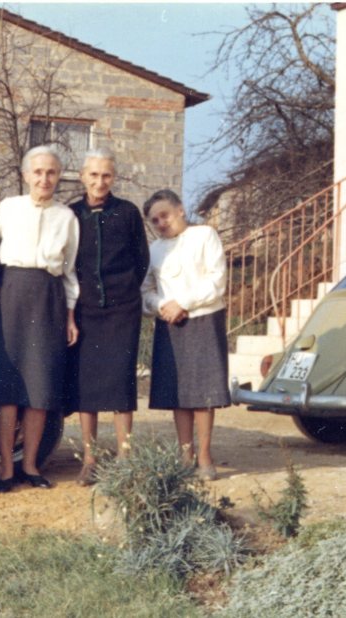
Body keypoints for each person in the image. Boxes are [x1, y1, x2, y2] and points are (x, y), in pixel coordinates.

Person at [0, 145, 79, 492]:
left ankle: (31, 464)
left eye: (51, 172)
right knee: (7, 386)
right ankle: (6, 467)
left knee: (40, 386)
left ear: (58, 176)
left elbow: (69, 272)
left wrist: (69, 315)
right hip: (10, 296)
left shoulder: (67, 218)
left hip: (49, 298)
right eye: (37, 172)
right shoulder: (8, 208)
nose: (44, 178)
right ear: (25, 175)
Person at [68, 149, 150, 486]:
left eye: (106, 176)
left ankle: (125, 455)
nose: (100, 182)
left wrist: (124, 289)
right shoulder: (70, 214)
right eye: (93, 175)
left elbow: (141, 259)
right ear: (83, 176)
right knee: (87, 385)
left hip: (121, 310)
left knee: (120, 382)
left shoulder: (128, 213)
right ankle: (90, 458)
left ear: (113, 178)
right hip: (86, 310)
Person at [140, 189, 229, 481]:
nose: (161, 223)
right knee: (179, 395)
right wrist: (162, 306)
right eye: (155, 221)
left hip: (202, 319)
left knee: (202, 394)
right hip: (169, 323)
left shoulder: (204, 235)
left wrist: (184, 303)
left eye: (165, 215)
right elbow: (146, 291)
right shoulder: (154, 250)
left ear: (180, 209)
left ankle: (205, 456)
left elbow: (216, 280)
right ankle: (185, 454)